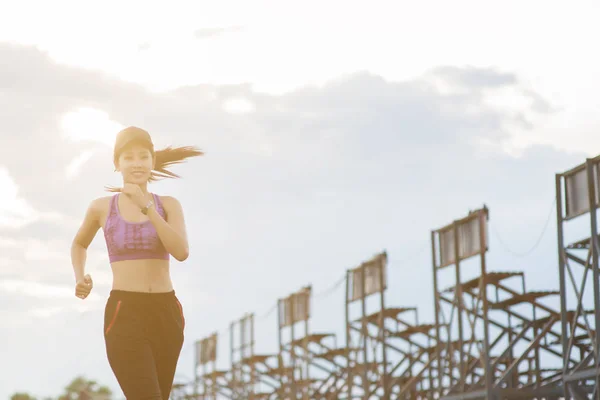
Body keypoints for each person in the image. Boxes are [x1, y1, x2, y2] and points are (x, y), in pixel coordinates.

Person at [70, 126, 203, 399]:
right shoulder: (101, 207)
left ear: (153, 161)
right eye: (128, 157)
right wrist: (80, 276)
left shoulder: (169, 205)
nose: (137, 163)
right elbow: (79, 243)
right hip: (124, 312)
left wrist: (148, 209)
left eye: (143, 156)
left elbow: (181, 251)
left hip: (167, 313)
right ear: (117, 163)